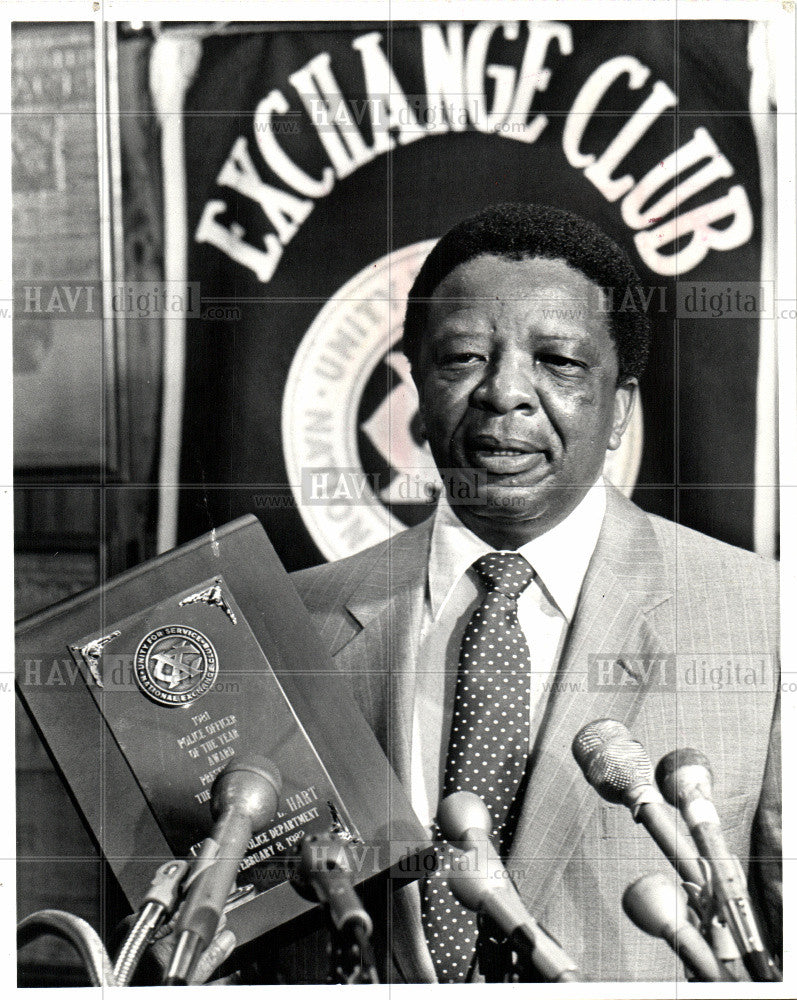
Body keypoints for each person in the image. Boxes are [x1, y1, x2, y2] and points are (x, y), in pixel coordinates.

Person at [290, 203, 781, 983]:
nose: (504, 394)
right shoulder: (292, 620)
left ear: (618, 408)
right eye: (461, 359)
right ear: (416, 386)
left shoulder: (763, 617)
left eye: (557, 361)